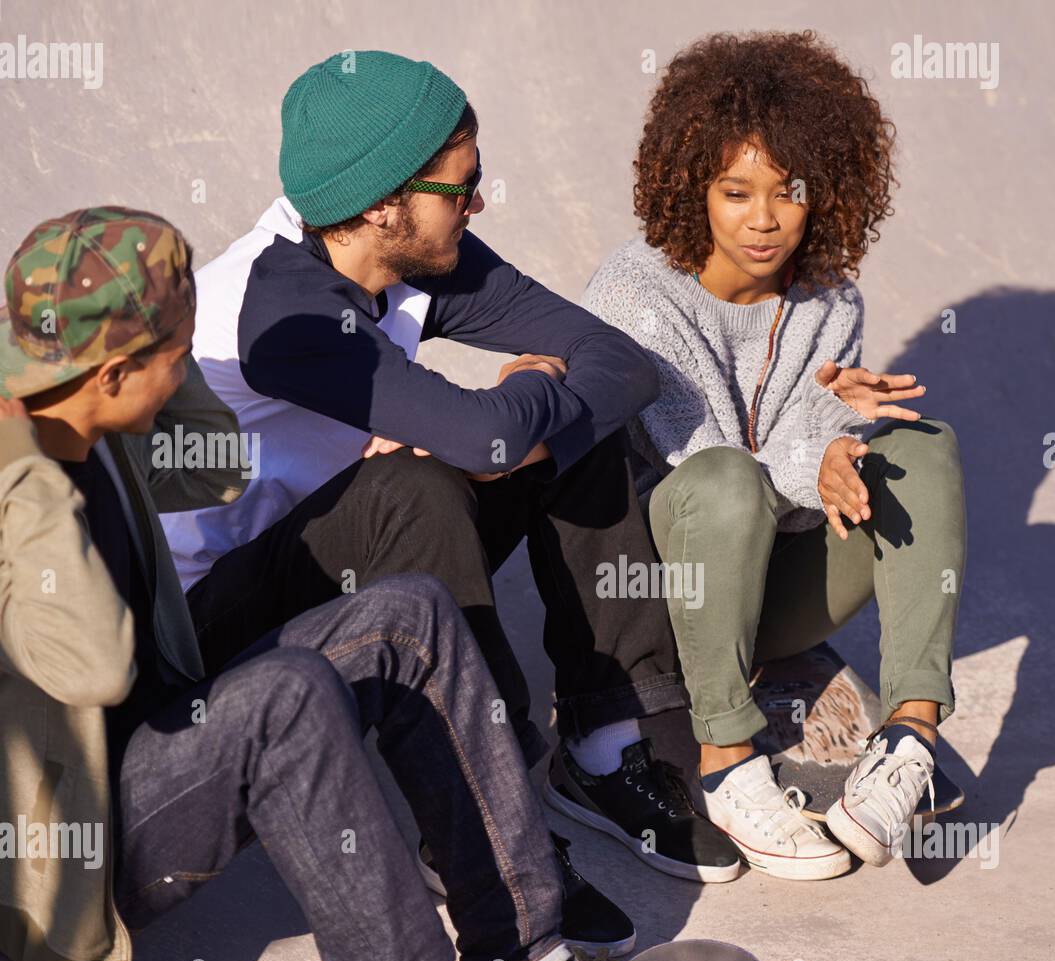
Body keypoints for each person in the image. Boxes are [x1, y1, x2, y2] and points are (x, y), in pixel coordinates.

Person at [0, 207, 615, 961]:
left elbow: (211, 475)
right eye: (174, 354)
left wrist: (140, 401)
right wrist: (40, 490)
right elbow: (94, 664)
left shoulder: (98, 419)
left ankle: (519, 959)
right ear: (114, 372)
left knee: (408, 612)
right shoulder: (23, 487)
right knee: (285, 701)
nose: (193, 367)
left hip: (159, 727)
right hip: (79, 839)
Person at [166, 50, 739, 884]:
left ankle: (605, 745)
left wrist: (518, 421)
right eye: (460, 186)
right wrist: (507, 413)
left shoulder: (415, 254)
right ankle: (482, 829)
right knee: (420, 485)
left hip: (324, 555)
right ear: (383, 204)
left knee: (579, 432)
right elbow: (480, 440)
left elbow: (620, 364)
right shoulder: (277, 310)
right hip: (210, 633)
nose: (478, 200)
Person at [582, 31, 968, 879]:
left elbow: (795, 459)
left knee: (921, 450)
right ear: (690, 187)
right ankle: (727, 759)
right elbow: (711, 461)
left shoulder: (831, 301)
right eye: (735, 191)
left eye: (788, 193)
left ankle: (907, 740)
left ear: (823, 191)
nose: (764, 220)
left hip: (771, 594)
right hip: (670, 598)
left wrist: (840, 446)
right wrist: (817, 449)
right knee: (724, 482)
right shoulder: (635, 292)